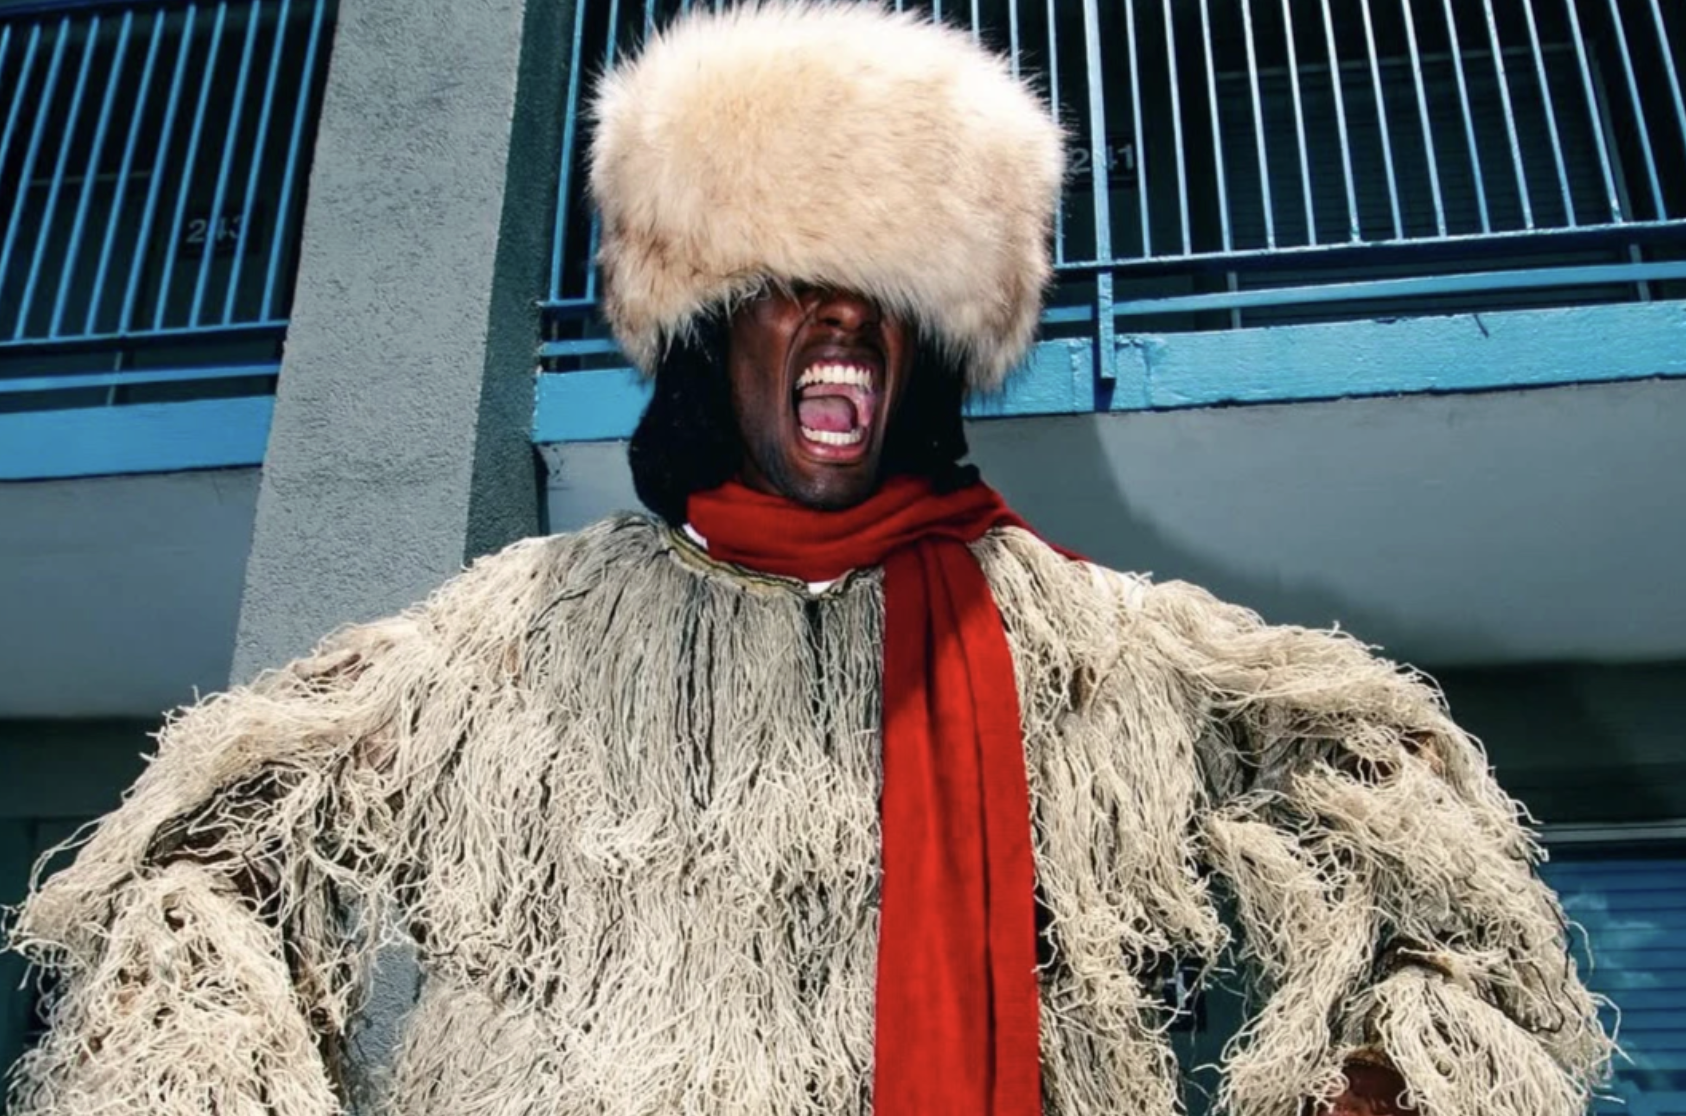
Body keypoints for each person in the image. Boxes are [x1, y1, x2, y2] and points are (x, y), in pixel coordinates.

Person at [7, 5, 1609, 1116]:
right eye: (790, 278)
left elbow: (1396, 807)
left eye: (884, 283)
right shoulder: (510, 638)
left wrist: (1385, 1077)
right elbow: (198, 858)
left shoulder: (1092, 646)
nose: (841, 315)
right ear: (716, 334)